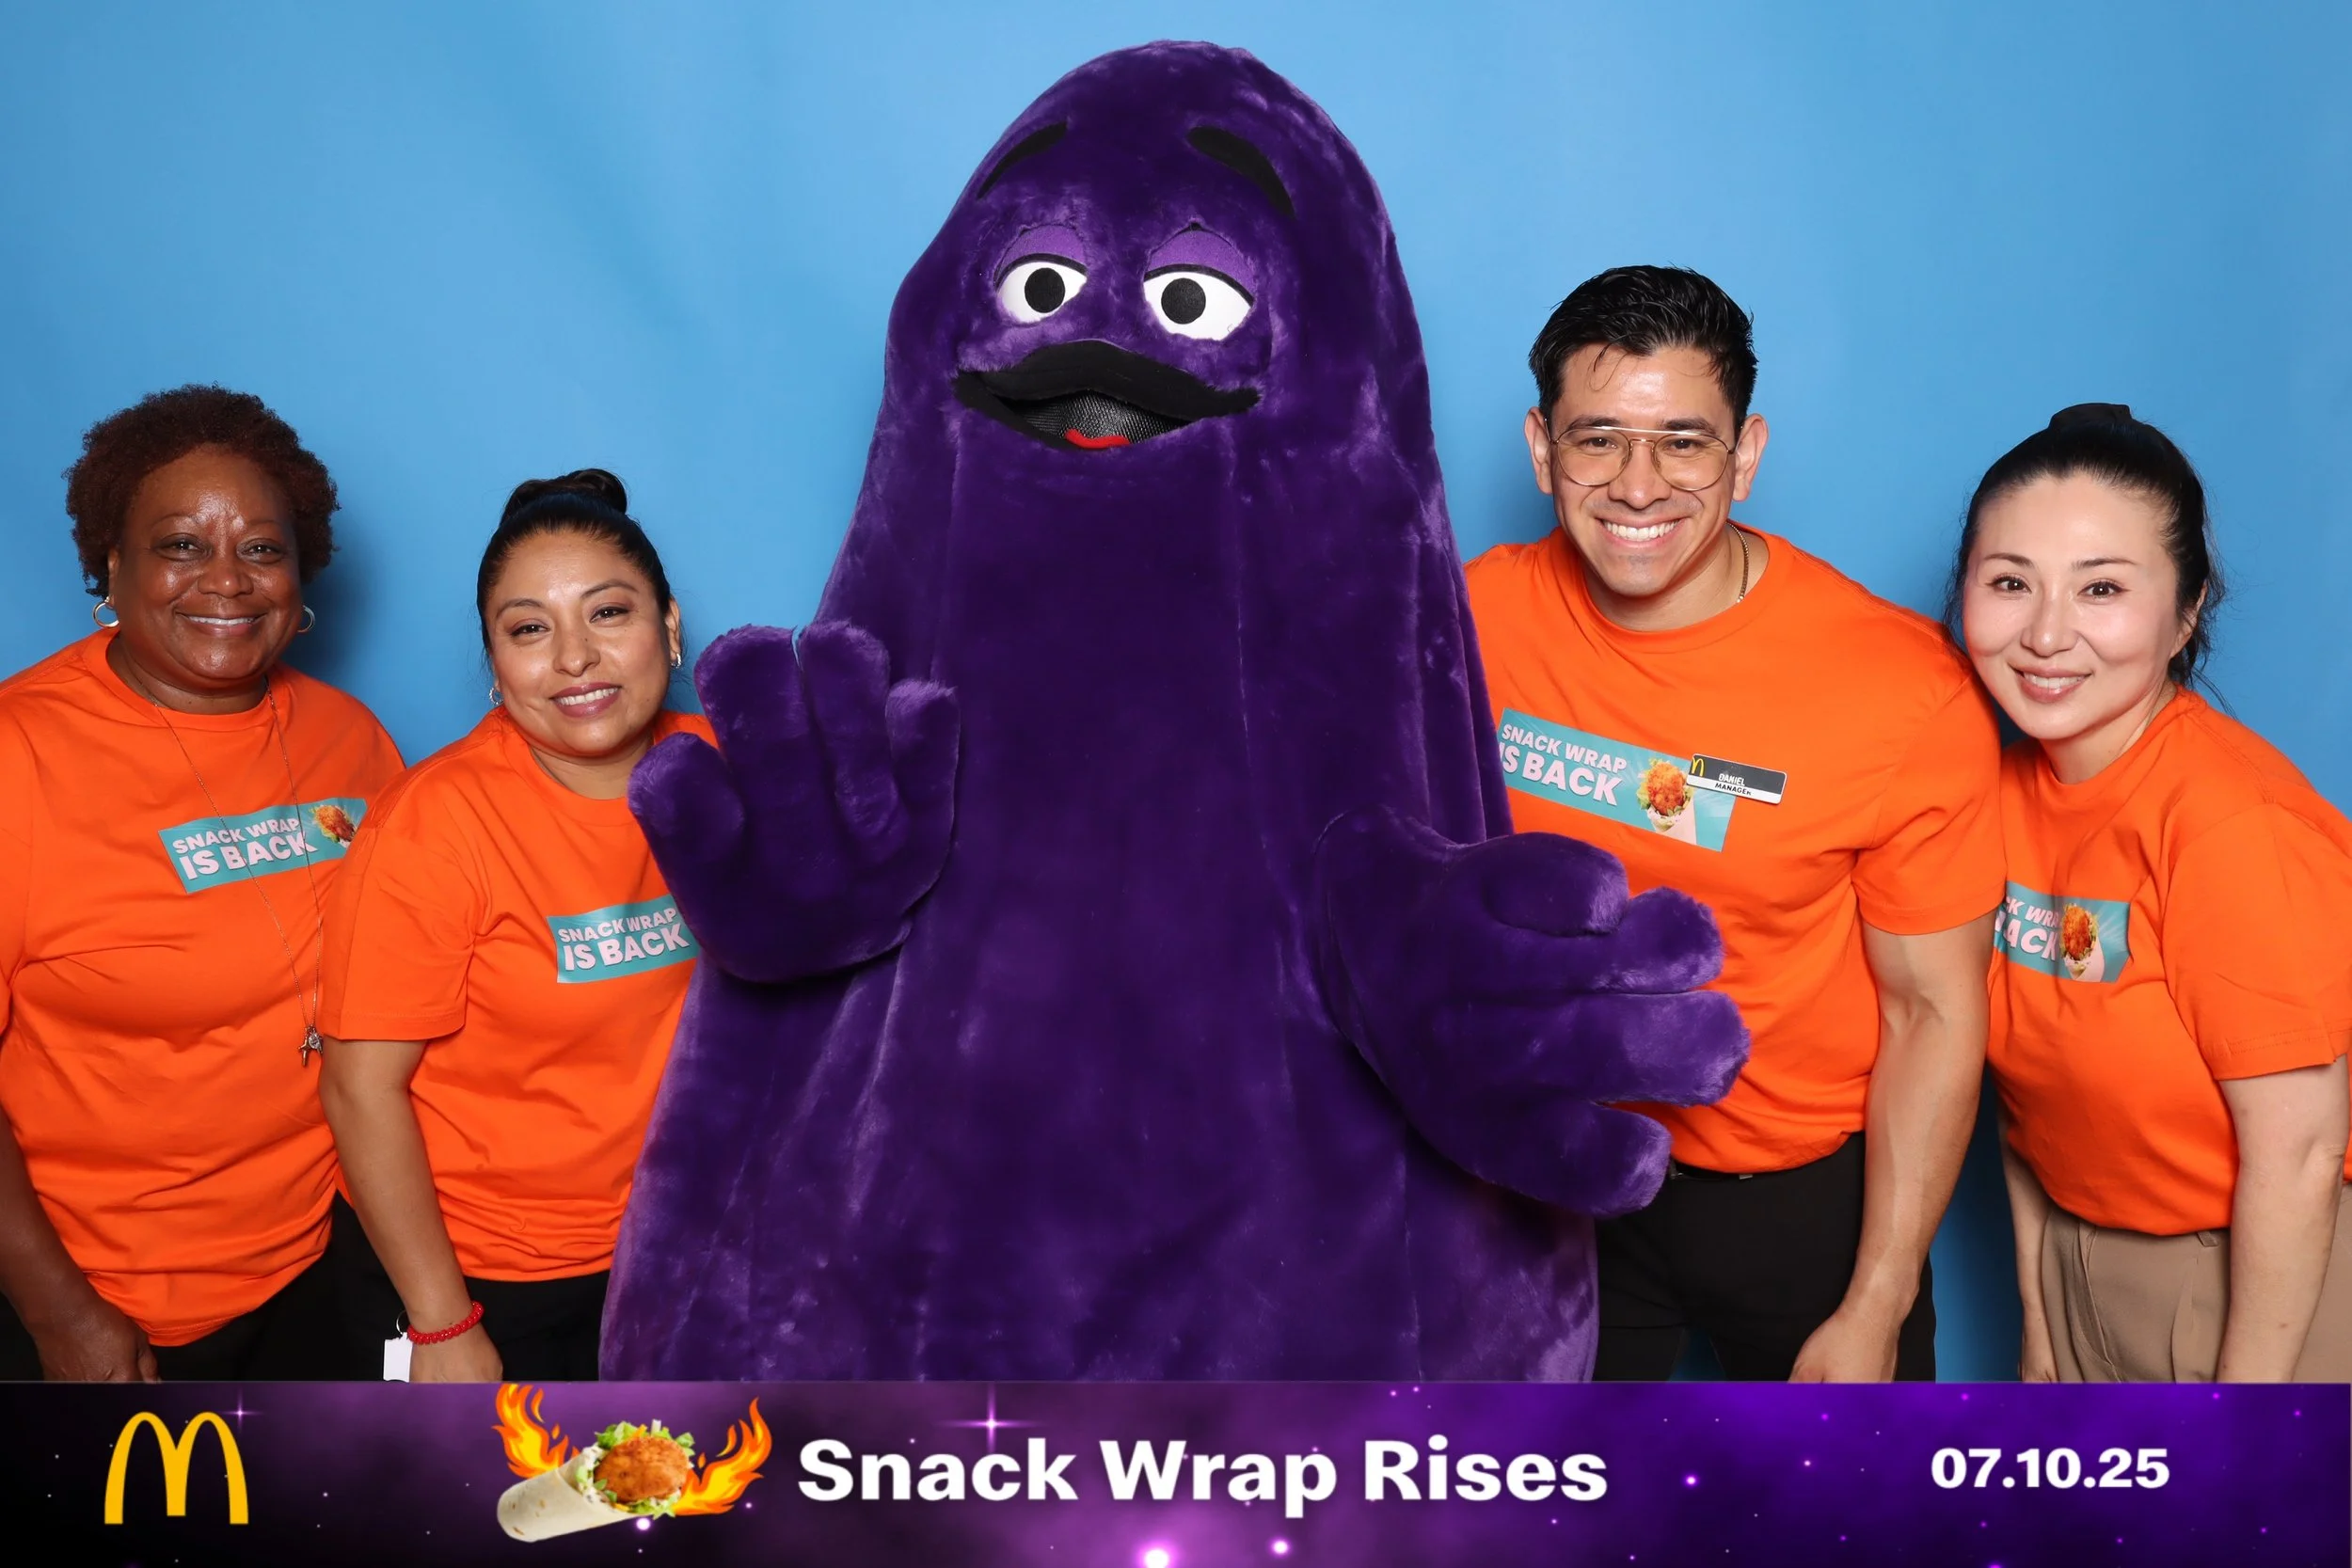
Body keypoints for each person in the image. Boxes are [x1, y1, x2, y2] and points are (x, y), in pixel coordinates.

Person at [1463, 266, 2002, 1381]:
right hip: (1561, 1173)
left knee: (1850, 1486)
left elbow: (1933, 1012)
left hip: (1795, 1197)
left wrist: (1878, 1296)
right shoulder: (1471, 616)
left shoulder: (1899, 690)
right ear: (1541, 448)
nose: (1637, 484)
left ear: (1744, 456)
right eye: (1598, 438)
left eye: (1683, 442)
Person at [0, 386, 404, 1380]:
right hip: (110, 1302)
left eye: (262, 548)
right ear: (111, 562)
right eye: (181, 544)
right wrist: (63, 1317)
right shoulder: (19, 754)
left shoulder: (350, 738)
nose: (226, 579)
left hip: (330, 1261)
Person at [1957, 404, 2351, 1383]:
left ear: (2184, 612)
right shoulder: (1991, 791)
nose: (2046, 633)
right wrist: (2041, 1315)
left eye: (2101, 588)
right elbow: (2027, 1091)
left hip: (2258, 1289)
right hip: (2077, 1265)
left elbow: (2302, 1152)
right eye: (2010, 582)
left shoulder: (2233, 821)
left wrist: (2245, 1415)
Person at [318, 469, 709, 1382]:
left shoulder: (724, 768)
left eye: (608, 612)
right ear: (495, 664)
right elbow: (359, 1090)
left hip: (666, 1249)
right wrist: (442, 1324)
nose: (575, 657)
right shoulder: (435, 822)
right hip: (479, 1275)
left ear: (669, 625)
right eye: (529, 628)